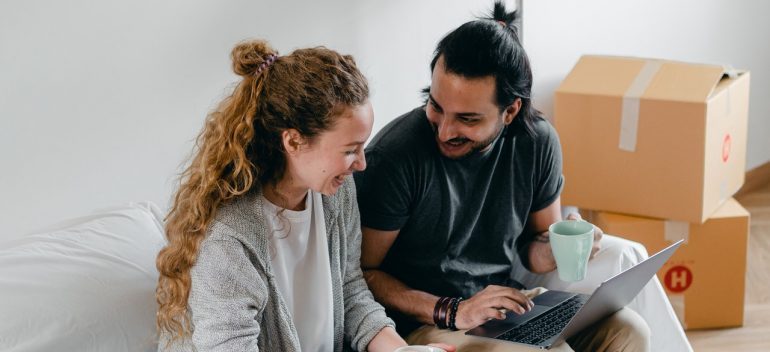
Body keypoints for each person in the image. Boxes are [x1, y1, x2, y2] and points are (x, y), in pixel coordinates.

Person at [354, 2, 691, 352]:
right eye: (436, 106)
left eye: (467, 119)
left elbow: (534, 248)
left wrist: (558, 248)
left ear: (511, 110)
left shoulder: (536, 142)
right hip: (427, 322)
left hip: (504, 303)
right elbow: (363, 274)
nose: (444, 131)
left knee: (631, 331)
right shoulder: (396, 157)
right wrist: (454, 310)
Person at [155, 39, 453, 352]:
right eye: (350, 150)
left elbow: (350, 291)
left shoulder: (335, 194)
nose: (362, 164)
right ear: (294, 142)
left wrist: (402, 351)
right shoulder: (229, 240)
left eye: (362, 147)